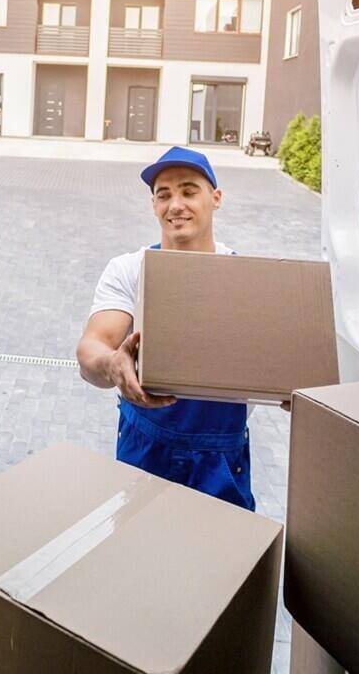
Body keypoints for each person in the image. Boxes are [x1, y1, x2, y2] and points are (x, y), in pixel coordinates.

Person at [74, 147, 259, 510]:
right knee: (137, 553)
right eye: (164, 195)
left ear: (216, 198)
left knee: (222, 559)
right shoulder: (129, 269)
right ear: (153, 205)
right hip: (145, 447)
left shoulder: (245, 278)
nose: (175, 205)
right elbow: (92, 347)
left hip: (221, 456)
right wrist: (112, 364)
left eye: (189, 191)